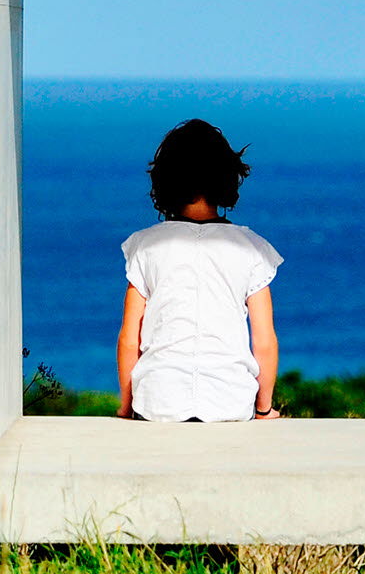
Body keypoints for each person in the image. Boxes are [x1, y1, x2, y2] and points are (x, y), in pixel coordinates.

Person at [116, 119, 282, 423]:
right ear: (227, 179)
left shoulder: (144, 246)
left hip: (157, 405)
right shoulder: (252, 248)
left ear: (164, 181)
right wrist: (263, 409)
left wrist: (127, 408)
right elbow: (264, 341)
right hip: (229, 405)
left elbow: (129, 338)